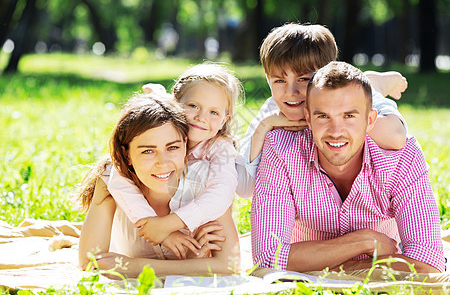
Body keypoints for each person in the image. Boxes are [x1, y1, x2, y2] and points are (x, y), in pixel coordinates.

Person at [251, 61, 445, 273]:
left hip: (308, 266)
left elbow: (429, 263)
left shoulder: (402, 157)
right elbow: (268, 258)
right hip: (382, 264)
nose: (336, 131)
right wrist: (364, 241)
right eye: (323, 116)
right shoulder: (281, 149)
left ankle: (376, 85)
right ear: (308, 118)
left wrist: (326, 267)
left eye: (349, 116)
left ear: (370, 120)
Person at [235, 23, 408, 198]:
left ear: (327, 75)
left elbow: (396, 138)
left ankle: (373, 82)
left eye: (303, 79)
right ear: (268, 79)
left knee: (365, 89)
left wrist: (349, 117)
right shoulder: (273, 109)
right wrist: (264, 126)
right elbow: (244, 188)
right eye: (279, 81)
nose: (290, 92)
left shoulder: (354, 97)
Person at [78, 93, 240, 277]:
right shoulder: (111, 180)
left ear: (185, 145)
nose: (162, 163)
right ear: (127, 154)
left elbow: (229, 266)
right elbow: (91, 262)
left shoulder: (206, 181)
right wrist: (194, 266)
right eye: (148, 151)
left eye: (172, 148)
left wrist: (135, 267)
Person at [106, 63, 243, 257]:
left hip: (197, 224)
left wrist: (169, 224)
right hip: (150, 226)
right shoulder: (161, 132)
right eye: (193, 106)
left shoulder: (220, 147)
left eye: (214, 112)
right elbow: (119, 175)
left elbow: (220, 194)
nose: (201, 117)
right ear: (175, 104)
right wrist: (153, 225)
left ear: (224, 120)